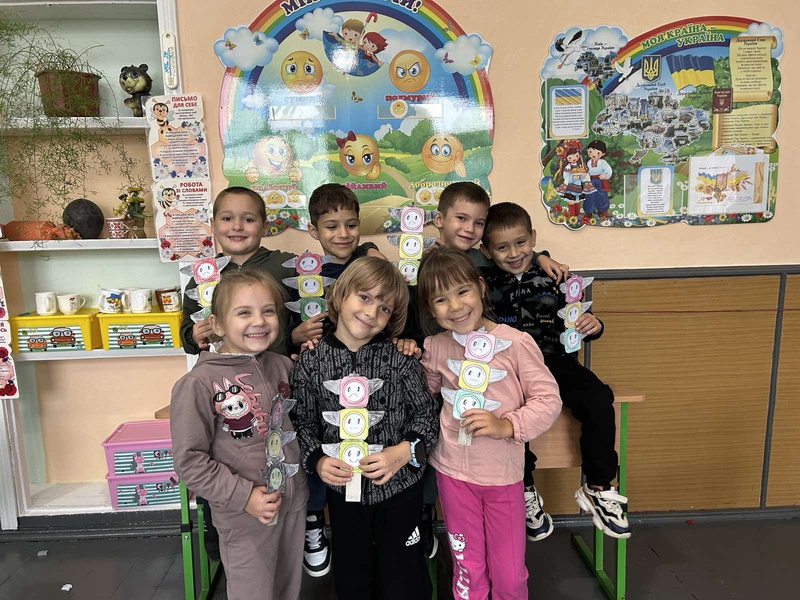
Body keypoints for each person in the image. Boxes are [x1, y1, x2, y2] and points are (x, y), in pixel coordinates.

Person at [480, 202, 632, 540]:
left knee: (598, 397)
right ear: (487, 251)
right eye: (502, 247)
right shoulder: (482, 283)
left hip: (555, 363)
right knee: (507, 413)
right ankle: (524, 490)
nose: (514, 253)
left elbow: (578, 320)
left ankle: (598, 486)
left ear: (533, 238)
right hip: (507, 369)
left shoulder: (557, 278)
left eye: (521, 243)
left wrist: (594, 325)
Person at [417, 245, 561, 599]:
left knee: (510, 575)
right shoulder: (435, 346)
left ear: (481, 288)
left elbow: (548, 399)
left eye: (462, 291)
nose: (455, 306)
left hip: (502, 476)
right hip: (452, 473)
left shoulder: (516, 343)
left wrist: (507, 426)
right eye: (441, 300)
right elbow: (423, 397)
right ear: (431, 309)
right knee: (468, 568)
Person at [292, 257, 439, 600]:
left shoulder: (401, 360)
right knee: (353, 577)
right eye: (364, 297)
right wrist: (317, 460)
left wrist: (403, 452)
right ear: (340, 295)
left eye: (384, 308)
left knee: (404, 578)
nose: (372, 312)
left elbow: (427, 416)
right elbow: (302, 422)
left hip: (401, 489)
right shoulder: (310, 362)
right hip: (343, 492)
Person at [170, 270, 308, 600]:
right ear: (217, 324)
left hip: (292, 505)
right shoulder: (197, 384)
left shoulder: (282, 366)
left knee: (287, 589)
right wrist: (244, 497)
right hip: (243, 515)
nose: (259, 321)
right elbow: (189, 462)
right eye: (244, 312)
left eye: (268, 310)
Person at [289, 182, 387, 576]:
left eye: (351, 225)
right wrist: (294, 336)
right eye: (331, 227)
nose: (343, 234)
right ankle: (314, 520)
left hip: (373, 378)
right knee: (315, 440)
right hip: (321, 379)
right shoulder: (305, 275)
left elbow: (393, 315)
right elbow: (288, 333)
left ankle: (411, 517)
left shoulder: (374, 266)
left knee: (374, 438)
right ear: (313, 230)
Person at [584, 139, 613, 217]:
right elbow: (586, 171)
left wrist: (605, 175)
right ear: (587, 151)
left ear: (603, 154)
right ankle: (589, 211)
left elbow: (608, 170)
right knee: (589, 196)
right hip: (590, 181)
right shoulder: (588, 162)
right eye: (591, 152)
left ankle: (603, 211)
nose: (594, 155)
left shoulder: (602, 162)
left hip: (600, 181)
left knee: (601, 195)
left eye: (597, 153)